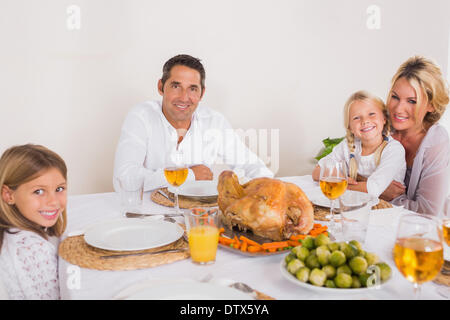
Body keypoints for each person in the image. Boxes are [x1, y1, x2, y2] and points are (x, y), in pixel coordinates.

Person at [113, 54, 273, 191]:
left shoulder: (214, 121)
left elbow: (251, 165)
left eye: (193, 89)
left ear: (202, 93)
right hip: (147, 216)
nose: (184, 97)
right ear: (161, 87)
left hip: (198, 214)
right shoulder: (141, 116)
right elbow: (124, 178)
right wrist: (190, 175)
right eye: (176, 86)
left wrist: (272, 189)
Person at [381, 56, 450, 216]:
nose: (398, 109)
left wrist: (387, 195)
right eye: (395, 97)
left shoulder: (436, 143)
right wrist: (372, 185)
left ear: (431, 105)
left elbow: (428, 213)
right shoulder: (381, 127)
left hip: (428, 234)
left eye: (412, 101)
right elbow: (346, 170)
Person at [0, 144, 67, 299]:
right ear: (8, 195)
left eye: (59, 189)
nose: (53, 202)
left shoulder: (15, 234)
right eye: (39, 191)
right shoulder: (33, 250)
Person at [312, 90, 406, 199]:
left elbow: (372, 190)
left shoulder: (394, 149)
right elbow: (318, 171)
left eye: (371, 114)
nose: (365, 121)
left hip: (387, 209)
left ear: (384, 118)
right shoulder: (348, 146)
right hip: (355, 203)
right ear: (349, 127)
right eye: (356, 118)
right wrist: (345, 180)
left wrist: (337, 184)